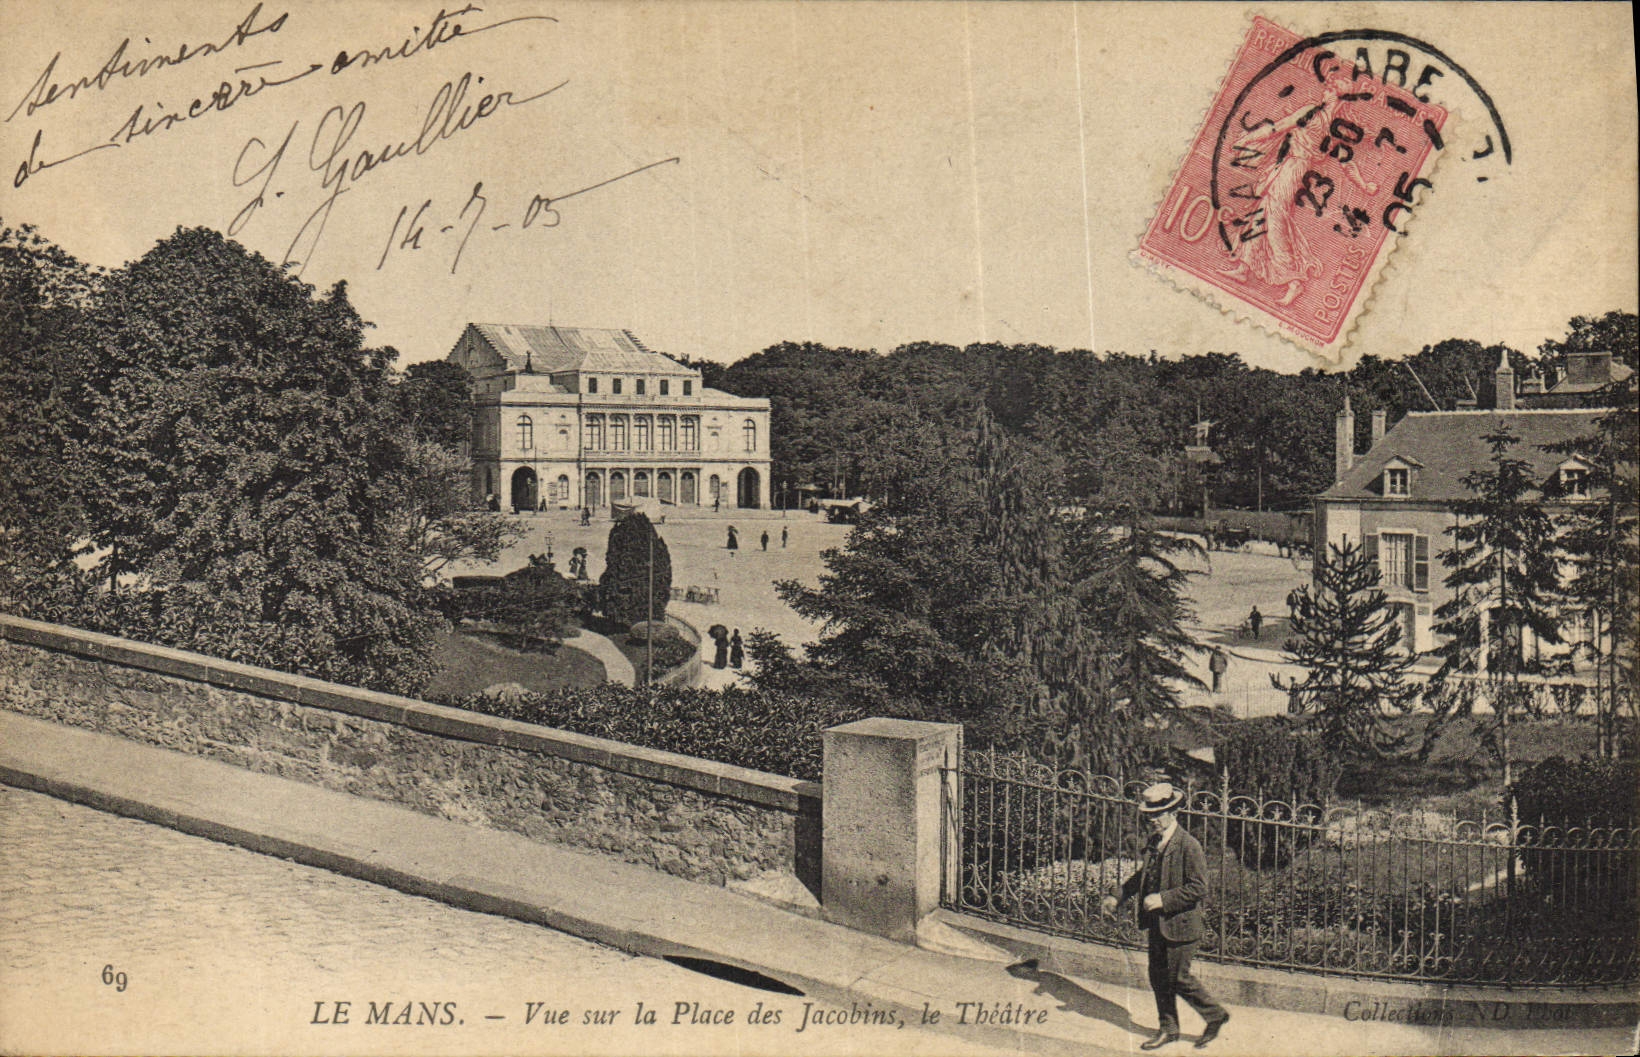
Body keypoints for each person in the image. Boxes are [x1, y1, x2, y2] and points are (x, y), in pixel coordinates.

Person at [1102, 783, 1230, 1050]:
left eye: (1158, 814)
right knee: (1158, 976)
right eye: (1150, 815)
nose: (1153, 820)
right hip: (1158, 924)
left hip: (1181, 926)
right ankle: (1169, 1028)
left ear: (1174, 813)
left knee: (1178, 978)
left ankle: (1215, 1014)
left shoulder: (1188, 845)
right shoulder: (1155, 842)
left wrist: (1163, 899)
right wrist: (1118, 895)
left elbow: (1199, 887)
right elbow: (1142, 876)